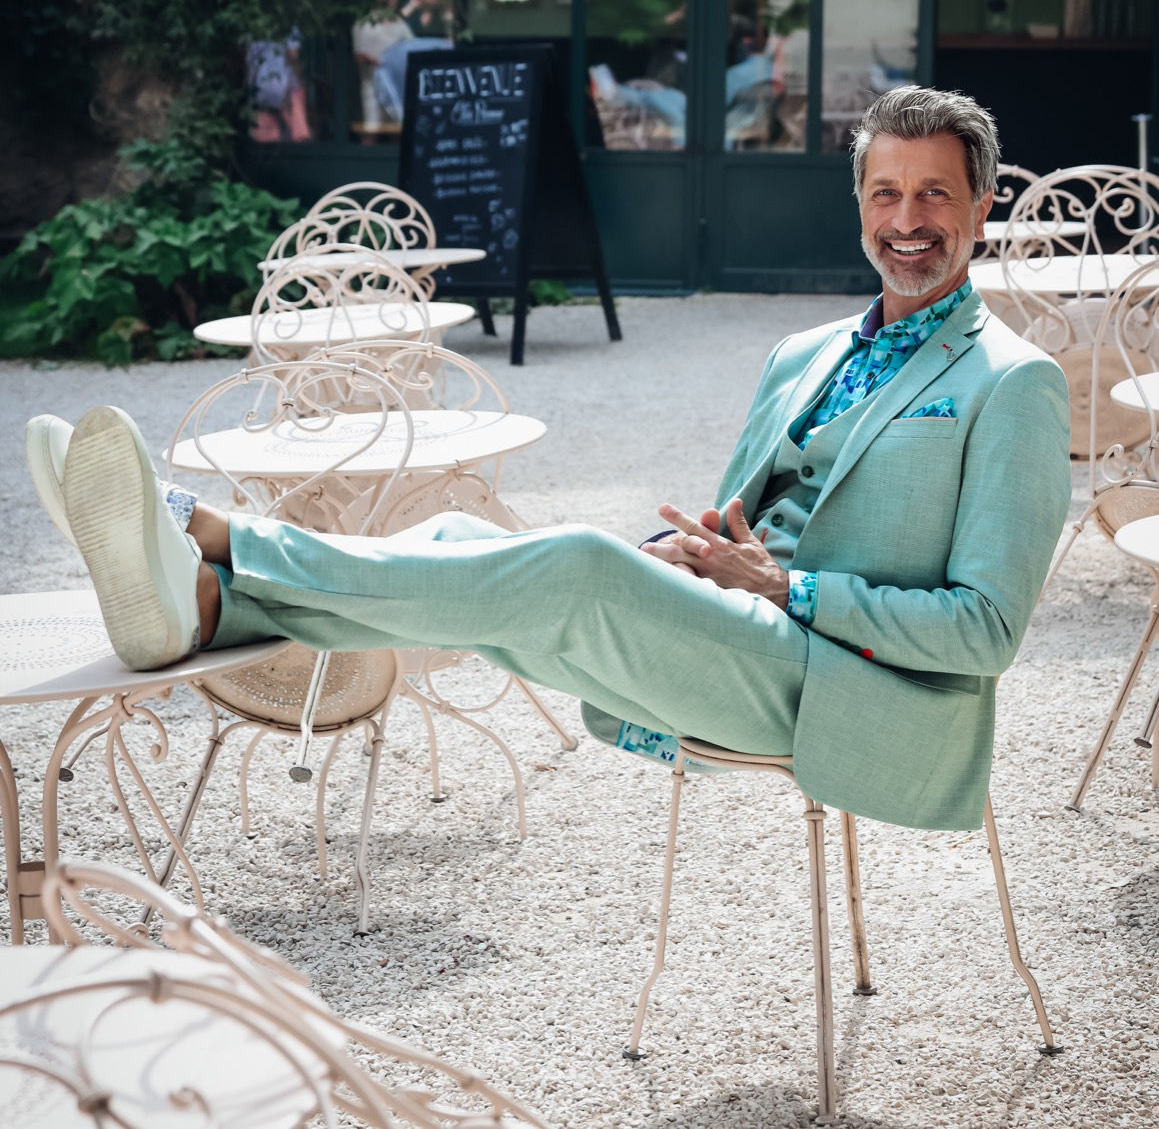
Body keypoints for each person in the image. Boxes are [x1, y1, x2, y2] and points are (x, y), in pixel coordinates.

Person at [28, 87, 1071, 833]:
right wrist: (687, 553)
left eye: (935, 196)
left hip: (840, 690)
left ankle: (222, 541)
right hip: (734, 631)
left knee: (572, 563)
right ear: (859, 204)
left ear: (981, 207)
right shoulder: (801, 353)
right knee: (453, 535)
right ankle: (209, 608)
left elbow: (983, 635)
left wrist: (786, 587)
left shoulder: (1011, 383)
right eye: (885, 193)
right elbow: (740, 528)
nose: (906, 221)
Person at [351, 0, 412, 134]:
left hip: (396, 88)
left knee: (397, 131)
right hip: (372, 87)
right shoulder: (363, 24)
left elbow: (411, 48)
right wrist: (372, 60)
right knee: (371, 130)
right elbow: (358, 55)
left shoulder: (400, 24)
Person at [245, 30, 313, 143]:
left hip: (259, 90)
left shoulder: (251, 27)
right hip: (284, 88)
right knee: (299, 137)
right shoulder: (288, 26)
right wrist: (299, 83)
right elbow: (293, 56)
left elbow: (247, 61)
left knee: (266, 140)